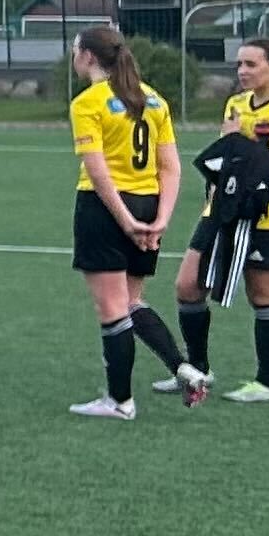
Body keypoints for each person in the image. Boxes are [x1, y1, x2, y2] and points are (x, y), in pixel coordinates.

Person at [66, 23, 198, 417]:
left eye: (75, 51)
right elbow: (170, 167)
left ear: (88, 56)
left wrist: (123, 219)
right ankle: (182, 366)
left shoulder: (88, 103)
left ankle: (120, 401)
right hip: (148, 205)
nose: (73, 58)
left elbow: (98, 171)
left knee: (112, 308)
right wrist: (161, 219)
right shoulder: (153, 99)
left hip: (105, 209)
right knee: (130, 301)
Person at [174, 38, 269, 402]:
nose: (242, 71)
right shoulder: (235, 103)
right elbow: (225, 159)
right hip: (220, 210)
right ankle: (198, 370)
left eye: (251, 64)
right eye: (239, 65)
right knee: (187, 286)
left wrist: (237, 142)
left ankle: (266, 384)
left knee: (264, 296)